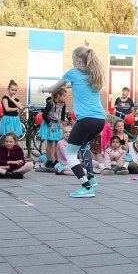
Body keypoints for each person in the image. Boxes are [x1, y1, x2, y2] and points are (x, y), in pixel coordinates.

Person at [42, 47, 107, 197]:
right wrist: (69, 86)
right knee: (83, 145)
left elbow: (54, 88)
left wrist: (44, 89)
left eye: (73, 60)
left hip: (85, 120)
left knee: (70, 153)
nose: (72, 63)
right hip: (100, 120)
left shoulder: (72, 72)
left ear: (78, 60)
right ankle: (91, 177)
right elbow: (77, 85)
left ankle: (86, 187)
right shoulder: (94, 75)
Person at [40, 88, 67, 168]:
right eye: (64, 96)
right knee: (50, 143)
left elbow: (62, 114)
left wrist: (61, 122)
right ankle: (49, 160)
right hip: (49, 123)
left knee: (56, 143)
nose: (65, 97)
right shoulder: (51, 103)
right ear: (58, 96)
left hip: (57, 123)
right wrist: (50, 124)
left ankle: (55, 160)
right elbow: (44, 115)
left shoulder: (63, 104)